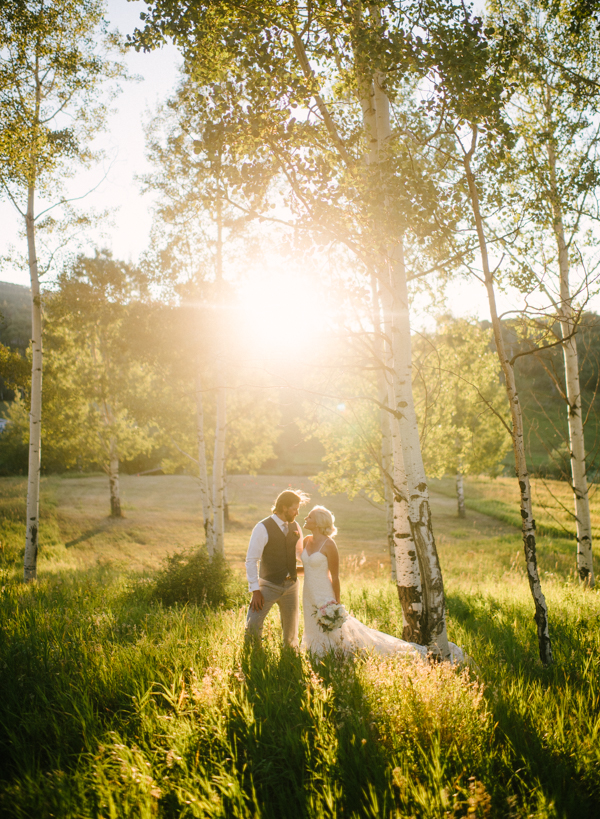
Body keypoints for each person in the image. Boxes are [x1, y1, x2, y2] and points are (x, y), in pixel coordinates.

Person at [301, 505, 464, 662]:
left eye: (310, 517)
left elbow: (335, 577)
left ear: (319, 522)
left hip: (324, 594)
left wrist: (336, 602)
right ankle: (316, 654)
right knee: (311, 623)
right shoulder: (307, 540)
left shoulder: (329, 545)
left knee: (333, 628)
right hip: (308, 593)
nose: (306, 518)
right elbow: (307, 566)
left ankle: (332, 655)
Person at [245, 489, 308, 647]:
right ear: (284, 507)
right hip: (268, 586)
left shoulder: (295, 526)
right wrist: (255, 590)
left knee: (291, 633)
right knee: (252, 625)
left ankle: (290, 659)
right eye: (294, 508)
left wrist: (314, 561)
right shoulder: (262, 528)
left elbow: (299, 552)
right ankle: (253, 657)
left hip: (291, 586)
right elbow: (251, 560)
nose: (297, 512)